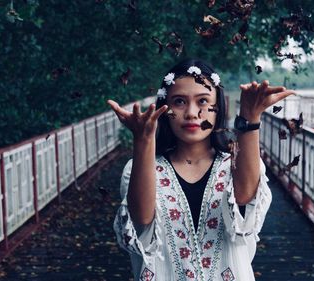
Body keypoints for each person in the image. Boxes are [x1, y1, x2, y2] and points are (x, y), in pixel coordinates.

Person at [108, 58, 295, 280]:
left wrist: (250, 118)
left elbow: (244, 197)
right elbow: (142, 218)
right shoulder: (139, 168)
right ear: (163, 109)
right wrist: (143, 139)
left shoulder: (235, 164)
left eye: (203, 101)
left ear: (218, 109)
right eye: (179, 102)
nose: (191, 113)